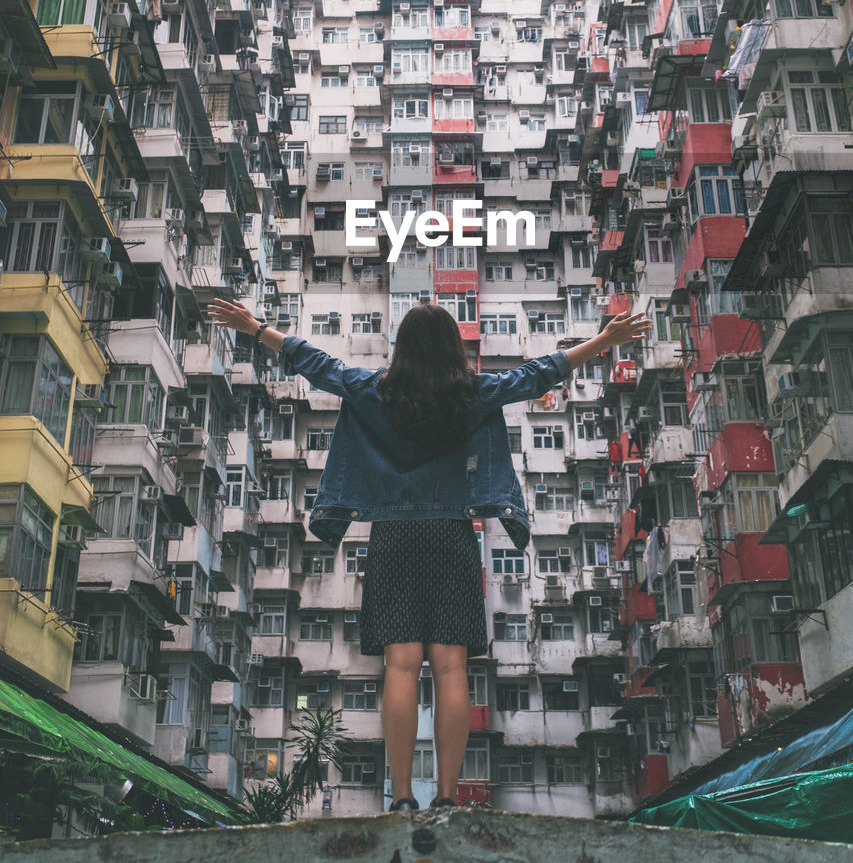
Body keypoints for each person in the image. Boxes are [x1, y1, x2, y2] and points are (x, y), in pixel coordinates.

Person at [209, 298, 651, 815]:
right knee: (450, 668)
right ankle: (445, 796)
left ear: (403, 349)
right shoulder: (474, 394)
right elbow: (536, 375)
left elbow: (316, 363)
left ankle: (400, 798)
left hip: (394, 537)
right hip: (452, 534)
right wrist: (603, 342)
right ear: (450, 348)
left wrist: (256, 327)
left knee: (399, 666)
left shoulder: (375, 390)